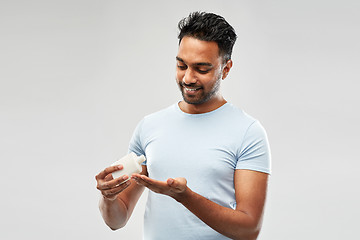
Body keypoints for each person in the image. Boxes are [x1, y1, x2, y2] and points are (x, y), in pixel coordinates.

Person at [95, 11, 271, 240]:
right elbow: (117, 220)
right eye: (181, 65)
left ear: (225, 69)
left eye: (202, 69)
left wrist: (185, 196)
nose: (188, 78)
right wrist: (108, 198)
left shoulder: (248, 133)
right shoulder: (150, 126)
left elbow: (249, 230)